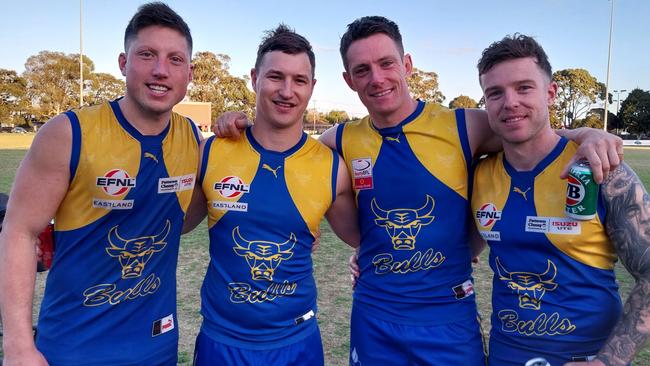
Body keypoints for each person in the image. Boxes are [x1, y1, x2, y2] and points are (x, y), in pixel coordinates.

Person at [215, 16, 622, 366]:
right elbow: (287, 157)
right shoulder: (341, 138)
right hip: (374, 316)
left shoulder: (465, 126)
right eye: (362, 70)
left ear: (407, 65)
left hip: (449, 319)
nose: (377, 78)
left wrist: (589, 133)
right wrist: (238, 123)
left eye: (386, 63)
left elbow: (527, 127)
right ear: (347, 80)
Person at [0, 3, 199, 365]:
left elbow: (192, 211)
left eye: (175, 59)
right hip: (72, 349)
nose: (160, 70)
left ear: (189, 72)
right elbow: (18, 232)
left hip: (158, 347)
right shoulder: (68, 133)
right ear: (123, 63)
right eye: (147, 54)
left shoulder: (191, 138)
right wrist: (17, 345)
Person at [183, 25, 359, 366]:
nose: (287, 91)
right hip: (222, 342)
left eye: (299, 80)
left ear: (312, 88)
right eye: (276, 77)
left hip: (296, 342)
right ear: (254, 78)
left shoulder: (332, 167)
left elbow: (364, 238)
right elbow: (174, 226)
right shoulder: (211, 152)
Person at [472, 34, 650, 366]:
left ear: (550, 93)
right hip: (504, 355)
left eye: (524, 88)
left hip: (587, 355)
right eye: (495, 92)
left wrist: (608, 361)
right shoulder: (478, 176)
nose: (510, 102)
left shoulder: (603, 170)